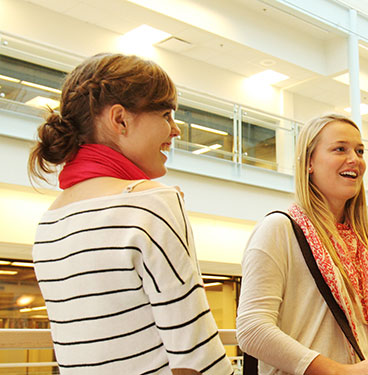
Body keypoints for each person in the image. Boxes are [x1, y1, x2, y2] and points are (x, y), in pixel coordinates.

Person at [28, 53, 233, 374]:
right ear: (119, 119)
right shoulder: (152, 204)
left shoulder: (50, 221)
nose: (175, 130)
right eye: (166, 114)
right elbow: (195, 355)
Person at [236, 114, 368, 375]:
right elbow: (252, 329)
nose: (354, 159)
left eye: (359, 151)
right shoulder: (280, 229)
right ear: (309, 162)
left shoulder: (365, 248)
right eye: (340, 149)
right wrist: (339, 371)